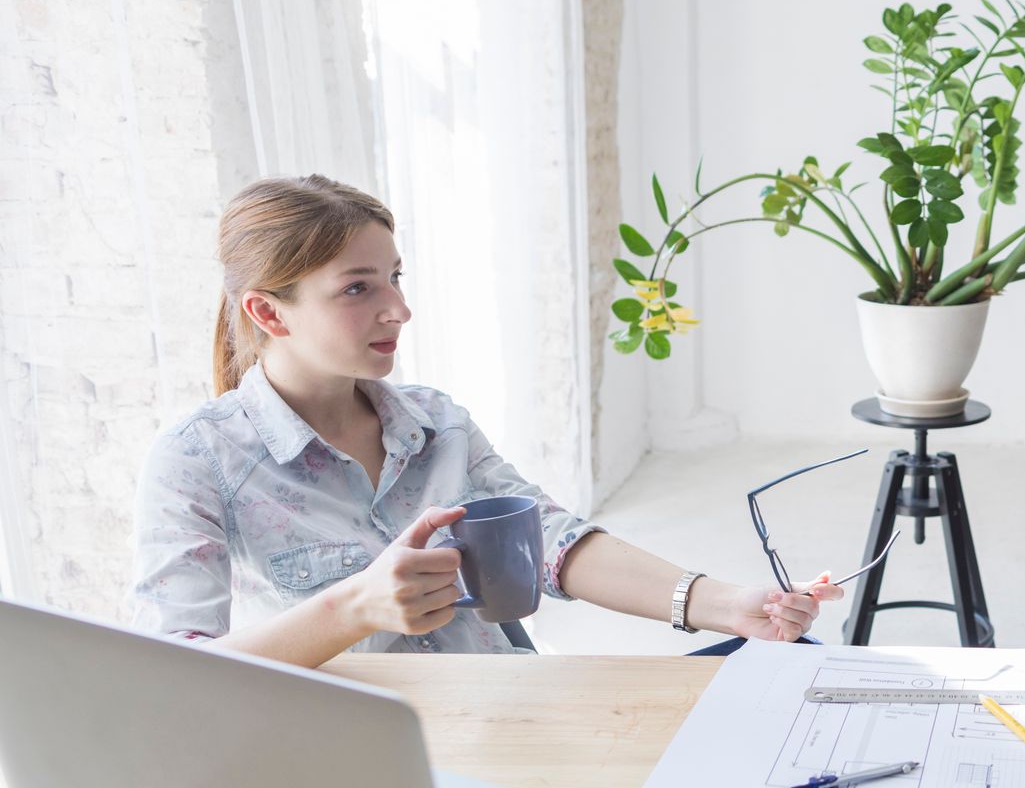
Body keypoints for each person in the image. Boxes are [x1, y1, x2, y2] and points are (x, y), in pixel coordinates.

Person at [130, 175, 839, 668]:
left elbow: (553, 541)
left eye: (395, 278)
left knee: (792, 665)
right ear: (266, 311)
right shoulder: (199, 462)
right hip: (360, 756)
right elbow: (175, 672)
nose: (398, 310)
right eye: (358, 288)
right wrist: (355, 607)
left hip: (505, 711)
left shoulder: (437, 424)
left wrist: (728, 604)